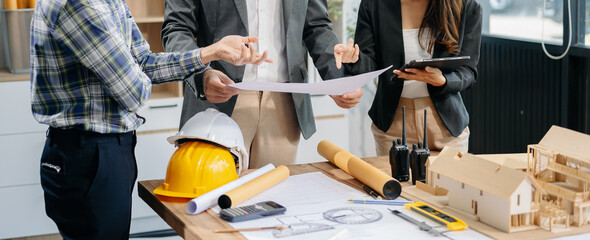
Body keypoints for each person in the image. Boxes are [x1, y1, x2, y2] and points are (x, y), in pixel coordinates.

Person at [30, 0, 271, 239]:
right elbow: (134, 92)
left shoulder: (109, 2)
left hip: (107, 149)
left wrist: (212, 52)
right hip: (87, 153)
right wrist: (139, 72)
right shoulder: (79, 4)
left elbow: (144, 62)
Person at [161, 0, 364, 168]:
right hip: (217, 99)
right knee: (210, 204)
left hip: (284, 103)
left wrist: (338, 80)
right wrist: (202, 75)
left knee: (272, 203)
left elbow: (316, 26)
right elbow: (177, 28)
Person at [334, 0, 482, 155]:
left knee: (446, 180)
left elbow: (468, 70)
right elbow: (368, 62)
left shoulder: (466, 6)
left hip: (445, 127)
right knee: (393, 179)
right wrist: (353, 59)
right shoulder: (373, 5)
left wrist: (443, 81)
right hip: (393, 125)